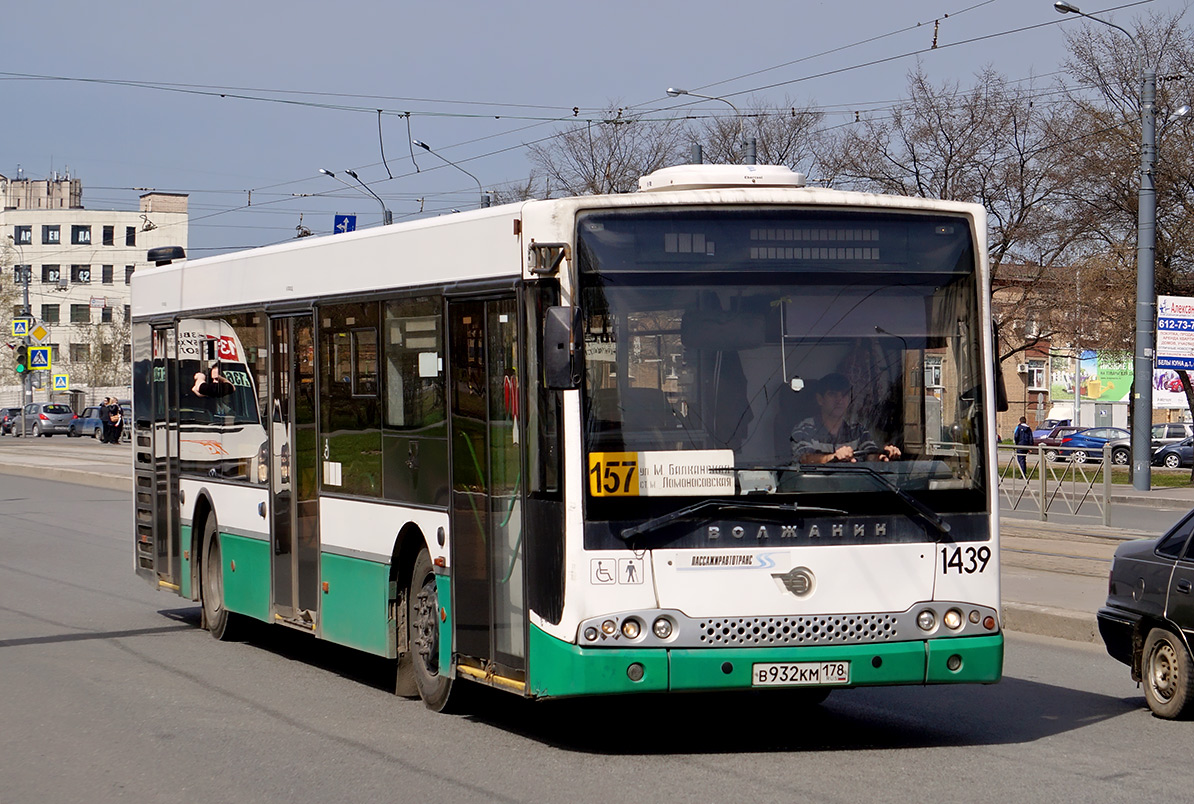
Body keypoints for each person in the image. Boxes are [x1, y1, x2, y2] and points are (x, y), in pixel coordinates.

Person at [791, 372, 901, 464]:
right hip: (815, 488)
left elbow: (870, 453)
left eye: (844, 395)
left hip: (852, 487)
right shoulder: (804, 429)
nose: (839, 400)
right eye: (832, 394)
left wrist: (882, 456)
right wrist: (833, 457)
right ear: (820, 399)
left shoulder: (857, 429)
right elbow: (805, 458)